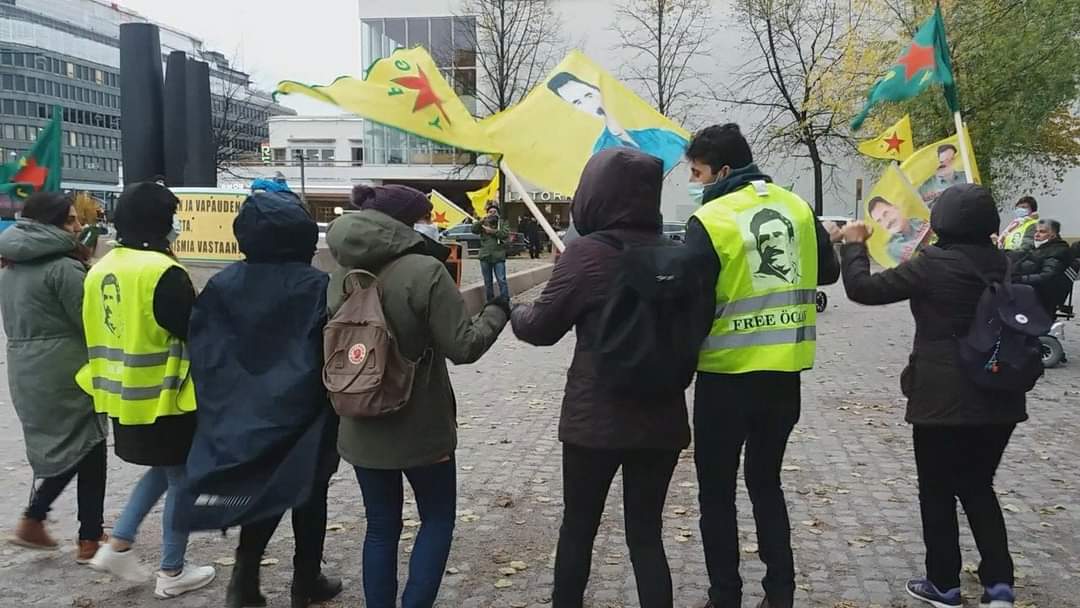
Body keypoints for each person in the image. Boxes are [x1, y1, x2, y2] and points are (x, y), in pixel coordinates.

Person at [511, 149, 691, 608]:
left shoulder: (585, 255)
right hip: (662, 418)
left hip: (595, 421)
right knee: (647, 537)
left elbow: (540, 329)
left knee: (578, 530)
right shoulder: (678, 256)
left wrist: (515, 310)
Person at [838, 184, 1025, 608]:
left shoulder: (932, 265)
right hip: (1000, 393)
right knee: (978, 486)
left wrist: (854, 246)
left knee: (937, 491)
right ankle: (999, 586)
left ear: (942, 221)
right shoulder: (1005, 262)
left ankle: (943, 583)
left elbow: (863, 290)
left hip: (941, 400)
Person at [328, 184, 508, 608]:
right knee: (437, 519)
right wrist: (497, 312)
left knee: (380, 527)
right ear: (409, 223)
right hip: (421, 426)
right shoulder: (425, 272)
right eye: (427, 216)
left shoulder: (340, 275)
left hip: (360, 421)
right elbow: (463, 347)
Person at [683, 123, 840, 608]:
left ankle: (724, 597)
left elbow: (691, 302)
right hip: (783, 378)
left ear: (723, 170)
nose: (695, 182)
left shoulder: (711, 218)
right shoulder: (796, 207)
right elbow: (829, 273)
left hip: (724, 378)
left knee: (716, 494)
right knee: (766, 484)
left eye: (699, 172)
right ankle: (781, 594)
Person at [183, 191, 342, 608]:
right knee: (310, 492)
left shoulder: (222, 283)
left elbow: (202, 347)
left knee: (262, 490)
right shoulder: (316, 286)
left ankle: (244, 581)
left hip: (243, 411)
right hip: (306, 411)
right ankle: (306, 578)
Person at [78, 182, 216, 598]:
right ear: (159, 220)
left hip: (122, 394)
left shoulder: (102, 266)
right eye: (173, 214)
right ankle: (172, 571)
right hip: (167, 395)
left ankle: (118, 543)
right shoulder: (161, 271)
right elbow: (195, 330)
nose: (177, 222)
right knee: (183, 478)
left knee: (167, 469)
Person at [0, 192, 108, 562]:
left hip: (27, 367)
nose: (79, 227)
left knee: (72, 447)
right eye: (71, 221)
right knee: (88, 444)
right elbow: (90, 322)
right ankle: (86, 537)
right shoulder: (64, 268)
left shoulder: (11, 264)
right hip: (67, 369)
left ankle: (43, 522)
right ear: (50, 224)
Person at [547, 72, 688, 172]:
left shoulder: (661, 135)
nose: (588, 104)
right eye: (578, 102)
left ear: (598, 91)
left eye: (588, 95)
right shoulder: (601, 152)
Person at [1010, 219, 1073, 317]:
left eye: (1042, 232)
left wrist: (1020, 279)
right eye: (1036, 231)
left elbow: (1047, 276)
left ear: (1053, 235)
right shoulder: (1039, 248)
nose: (1037, 235)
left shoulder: (1057, 251)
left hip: (1038, 295)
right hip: (1026, 289)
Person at [868, 196, 932, 263]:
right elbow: (919, 259)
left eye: (886, 213)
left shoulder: (917, 221)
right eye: (879, 221)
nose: (887, 222)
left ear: (895, 207)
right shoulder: (893, 247)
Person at [472, 203, 511, 300]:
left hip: (498, 256)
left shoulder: (502, 223)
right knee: (487, 281)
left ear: (498, 214)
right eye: (490, 212)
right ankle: (490, 301)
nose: (492, 214)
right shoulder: (483, 223)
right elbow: (474, 230)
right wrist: (480, 221)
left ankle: (505, 300)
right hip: (485, 256)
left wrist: (492, 231)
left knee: (501, 280)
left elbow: (505, 234)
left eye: (494, 212)